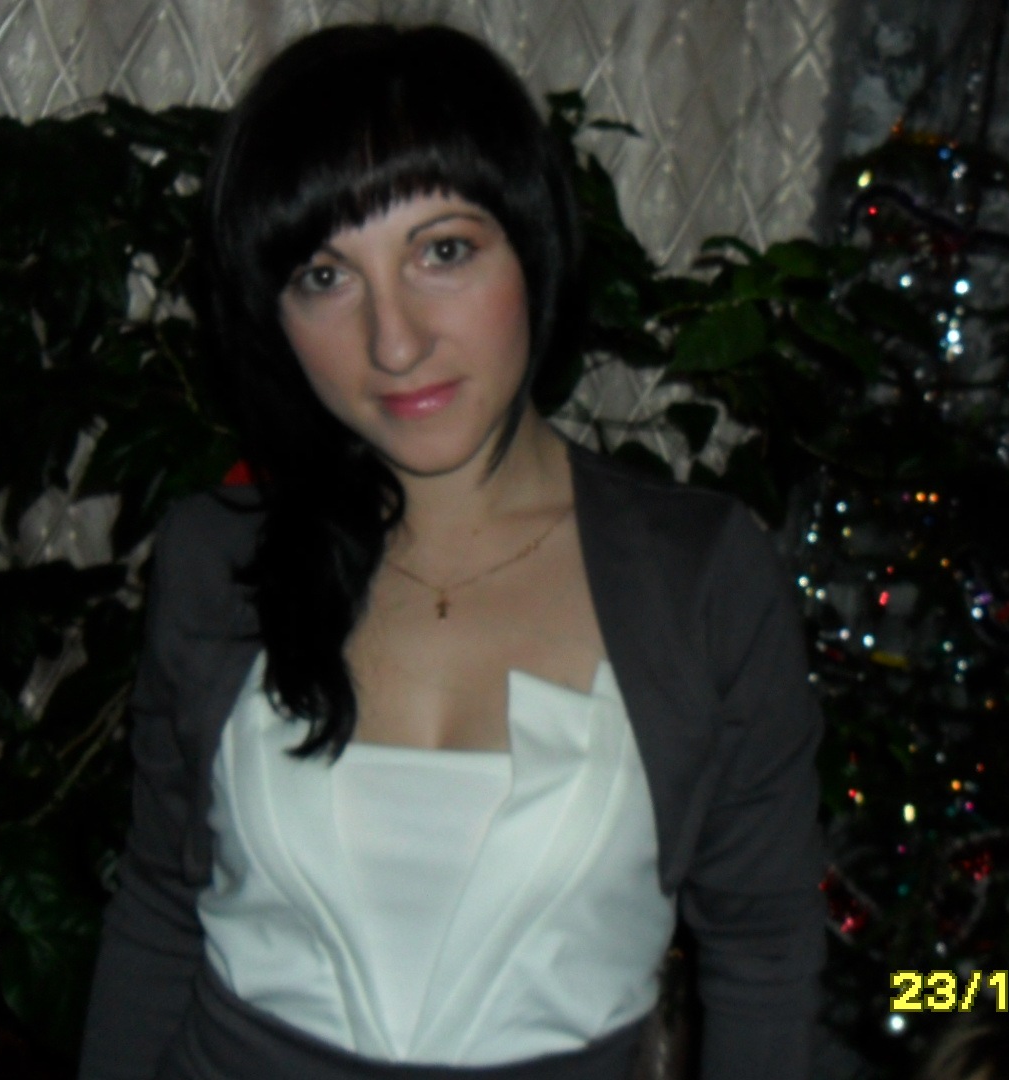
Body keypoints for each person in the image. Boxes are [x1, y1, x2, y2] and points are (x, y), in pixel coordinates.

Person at [76, 23, 826, 1080]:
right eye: (325, 276)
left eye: (443, 252)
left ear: (533, 247)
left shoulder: (700, 576)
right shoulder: (215, 556)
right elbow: (160, 906)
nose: (395, 342)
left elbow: (764, 955)